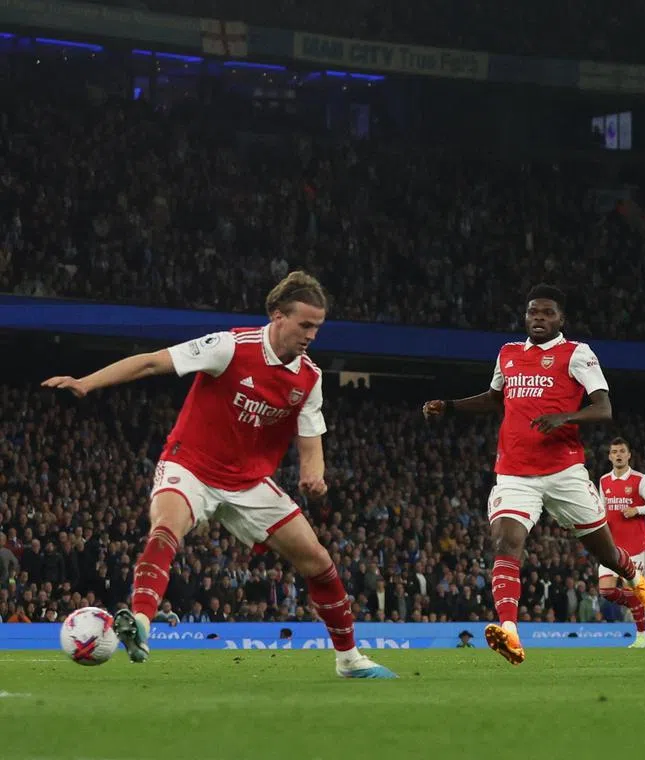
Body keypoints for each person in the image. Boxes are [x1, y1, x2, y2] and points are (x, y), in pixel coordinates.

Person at [42, 271, 395, 679]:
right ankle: (140, 622)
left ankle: (349, 660)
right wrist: (86, 383)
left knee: (318, 561)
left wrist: (314, 477)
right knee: (166, 528)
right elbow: (153, 362)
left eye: (317, 326)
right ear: (278, 316)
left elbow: (310, 440)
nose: (312, 334)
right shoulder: (229, 346)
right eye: (305, 325)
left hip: (249, 482)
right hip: (190, 464)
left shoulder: (309, 377)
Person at [423, 284, 645, 665]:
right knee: (505, 542)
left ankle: (633, 575)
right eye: (533, 312)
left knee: (602, 551)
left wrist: (565, 416)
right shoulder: (508, 354)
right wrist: (449, 406)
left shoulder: (577, 354)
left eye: (547, 313)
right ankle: (510, 632)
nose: (538, 318)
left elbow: (603, 409)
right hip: (514, 473)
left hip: (565, 471)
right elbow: (493, 399)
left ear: (560, 319)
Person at [598, 438, 645, 649]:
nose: (618, 455)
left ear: (629, 455)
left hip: (634, 546)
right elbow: (601, 509)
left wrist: (638, 509)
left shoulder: (640, 480)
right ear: (609, 456)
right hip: (610, 546)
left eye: (622, 451)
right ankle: (640, 601)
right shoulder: (603, 481)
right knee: (606, 591)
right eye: (614, 451)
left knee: (630, 588)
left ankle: (642, 636)